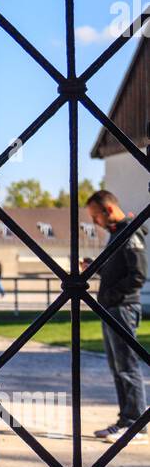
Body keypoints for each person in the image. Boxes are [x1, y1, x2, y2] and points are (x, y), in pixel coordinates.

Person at [86, 190, 147, 445]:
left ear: (108, 210)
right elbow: (118, 271)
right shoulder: (116, 234)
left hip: (122, 307)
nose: (94, 223)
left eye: (95, 216)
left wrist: (111, 294)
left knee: (127, 366)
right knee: (117, 367)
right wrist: (96, 267)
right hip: (112, 307)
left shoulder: (130, 232)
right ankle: (126, 420)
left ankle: (136, 424)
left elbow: (138, 275)